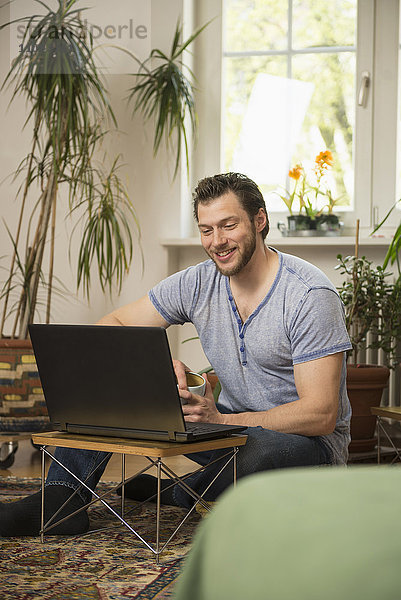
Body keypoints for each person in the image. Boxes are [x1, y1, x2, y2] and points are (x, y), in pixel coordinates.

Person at [0, 172, 352, 537]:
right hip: (226, 433)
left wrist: (223, 422)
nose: (217, 242)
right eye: (206, 230)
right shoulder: (198, 281)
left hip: (305, 448)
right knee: (115, 374)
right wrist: (145, 365)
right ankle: (62, 500)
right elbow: (113, 324)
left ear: (259, 221)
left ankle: (179, 492)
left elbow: (320, 415)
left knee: (259, 451)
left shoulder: (309, 295)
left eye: (228, 226)